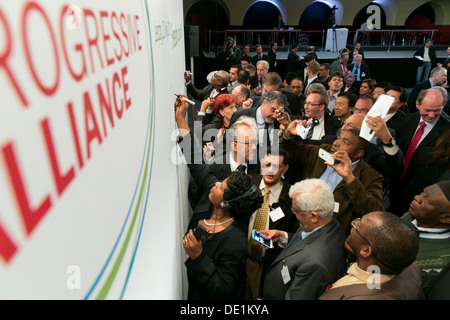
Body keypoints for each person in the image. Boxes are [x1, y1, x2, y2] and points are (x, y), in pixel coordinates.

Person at [175, 95, 264, 300]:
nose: (254, 148)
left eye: (255, 143)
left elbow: (223, 288)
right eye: (249, 143)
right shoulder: (217, 173)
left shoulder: (262, 173)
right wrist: (181, 120)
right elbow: (196, 162)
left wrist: (198, 258)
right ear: (234, 145)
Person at [281, 125, 385, 235]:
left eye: (345, 142)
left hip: (332, 234)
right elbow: (290, 149)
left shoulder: (371, 176)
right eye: (339, 137)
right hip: (299, 225)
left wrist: (350, 179)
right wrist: (287, 134)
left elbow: (375, 212)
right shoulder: (321, 152)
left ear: (358, 153)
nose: (336, 143)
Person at [261, 179, 347, 300]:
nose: (294, 214)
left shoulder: (315, 265)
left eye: (296, 211)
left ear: (313, 216)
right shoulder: (327, 222)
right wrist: (283, 237)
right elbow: (306, 241)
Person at [319, 211, 424, 300]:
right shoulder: (411, 268)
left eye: (358, 226)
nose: (354, 223)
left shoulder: (353, 297)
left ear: (365, 251)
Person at [245, 148, 297, 300]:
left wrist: (283, 237)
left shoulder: (292, 196)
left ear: (285, 168)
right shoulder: (246, 184)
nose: (270, 170)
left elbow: (298, 236)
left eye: (276, 167)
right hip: (241, 261)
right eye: (267, 164)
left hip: (270, 266)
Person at [390, 87, 450, 215]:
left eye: (437, 110)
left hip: (421, 191)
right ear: (417, 104)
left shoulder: (447, 131)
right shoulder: (408, 119)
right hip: (396, 183)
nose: (432, 115)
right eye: (427, 110)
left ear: (443, 106)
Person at [401, 181, 450, 299]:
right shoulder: (412, 216)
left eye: (427, 201)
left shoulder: (442, 263)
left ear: (446, 218)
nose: (417, 198)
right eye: (423, 193)